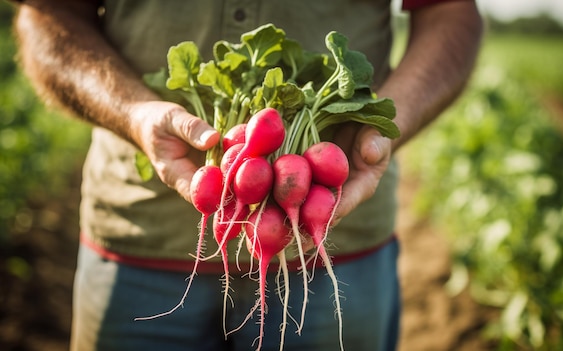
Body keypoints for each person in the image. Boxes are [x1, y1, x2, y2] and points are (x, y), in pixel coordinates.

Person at [13, 0, 482, 350]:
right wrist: (134, 113)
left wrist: (384, 133)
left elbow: (450, 12)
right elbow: (49, 13)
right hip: (135, 239)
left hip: (339, 243)